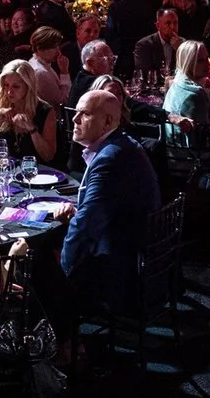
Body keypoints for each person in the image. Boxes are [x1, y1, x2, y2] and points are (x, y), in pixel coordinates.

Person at [57, 86, 160, 310]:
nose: (74, 118)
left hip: (119, 266)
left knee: (37, 263)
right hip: (132, 246)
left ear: (107, 122)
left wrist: (63, 273)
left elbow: (85, 227)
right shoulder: (118, 145)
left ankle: (63, 336)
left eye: (84, 113)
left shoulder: (110, 158)